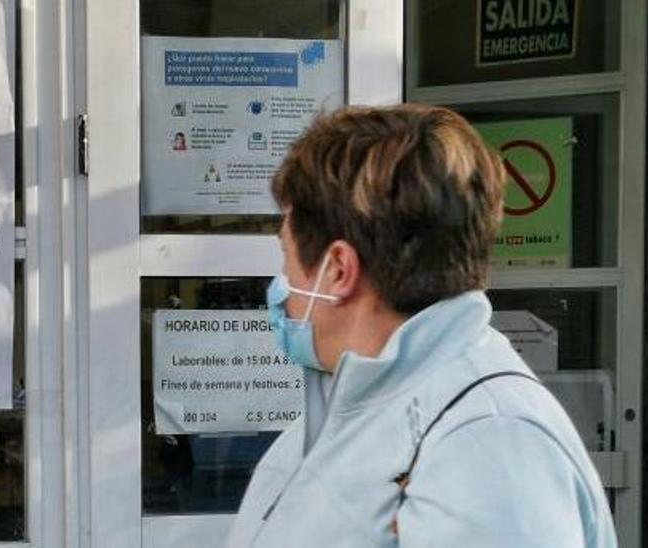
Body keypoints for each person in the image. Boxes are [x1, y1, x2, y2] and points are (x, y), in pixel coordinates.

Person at [225, 105, 616, 547]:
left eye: (287, 257)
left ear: (337, 270)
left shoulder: (486, 441)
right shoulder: (361, 404)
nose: (284, 286)